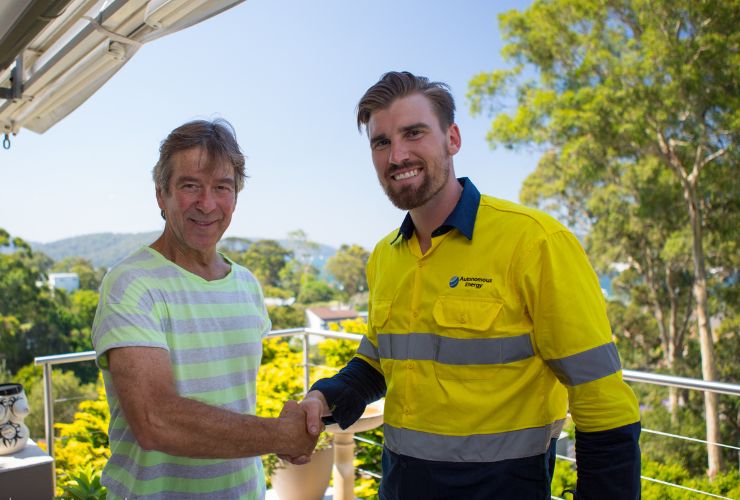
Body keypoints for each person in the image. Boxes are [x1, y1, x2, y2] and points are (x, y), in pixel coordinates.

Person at [300, 72, 641, 499]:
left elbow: (603, 403)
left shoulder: (535, 242)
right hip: (400, 487)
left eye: (414, 133)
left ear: (453, 139)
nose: (397, 154)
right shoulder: (386, 256)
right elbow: (378, 361)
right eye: (381, 142)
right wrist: (323, 398)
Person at [92, 119, 318, 499]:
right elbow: (155, 420)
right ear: (161, 195)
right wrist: (282, 435)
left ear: (236, 197)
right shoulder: (131, 283)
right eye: (190, 186)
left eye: (222, 188)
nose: (207, 203)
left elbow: (232, 398)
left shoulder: (246, 285)